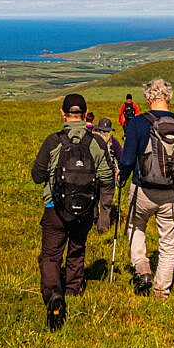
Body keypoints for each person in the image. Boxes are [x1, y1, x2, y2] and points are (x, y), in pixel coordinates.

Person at [31, 94, 115, 331]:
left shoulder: (52, 141)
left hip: (54, 208)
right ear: (86, 113)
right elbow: (108, 177)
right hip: (85, 210)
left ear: (63, 112)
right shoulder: (96, 143)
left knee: (50, 255)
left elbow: (37, 177)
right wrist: (103, 208)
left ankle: (54, 294)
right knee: (76, 249)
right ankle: (74, 288)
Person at [117, 78, 174, 300]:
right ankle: (161, 291)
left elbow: (126, 160)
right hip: (173, 192)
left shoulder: (136, 123)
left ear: (147, 98)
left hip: (143, 190)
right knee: (168, 241)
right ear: (169, 97)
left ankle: (142, 268)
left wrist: (122, 178)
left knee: (136, 226)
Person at [92, 117, 123, 182]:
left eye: (107, 131)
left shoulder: (114, 142)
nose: (104, 134)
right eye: (102, 131)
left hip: (108, 175)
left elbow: (121, 158)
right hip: (94, 174)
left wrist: (119, 170)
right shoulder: (92, 140)